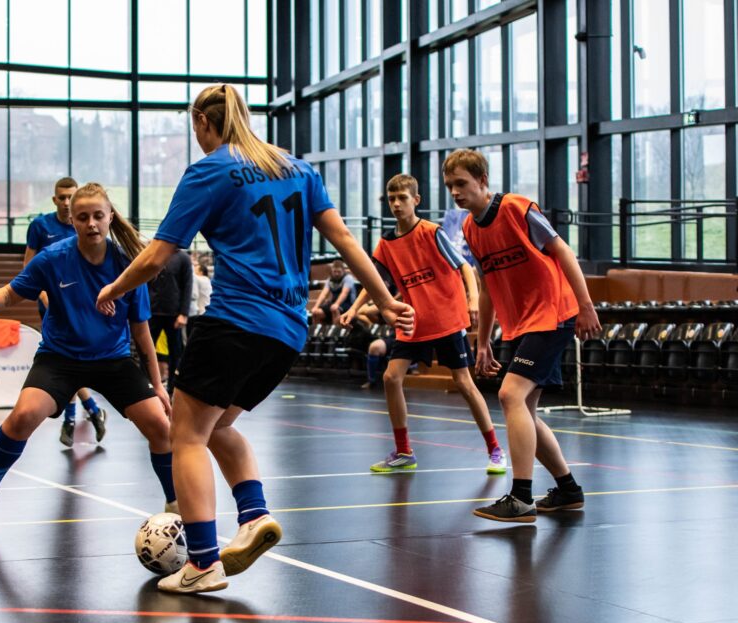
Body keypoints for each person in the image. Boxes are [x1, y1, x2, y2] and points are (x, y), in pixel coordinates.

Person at [97, 84, 414, 594]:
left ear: (203, 122)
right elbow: (344, 239)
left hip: (235, 323)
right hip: (287, 332)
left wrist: (113, 288)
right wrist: (386, 298)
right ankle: (254, 515)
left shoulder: (208, 171)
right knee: (219, 426)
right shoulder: (298, 168)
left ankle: (202, 562)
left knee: (185, 436)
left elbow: (157, 256)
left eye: (195, 128)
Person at [0, 183, 177, 518]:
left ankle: (174, 501)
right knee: (24, 415)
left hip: (113, 361)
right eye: (83, 217)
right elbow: (11, 293)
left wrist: (158, 386)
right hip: (59, 359)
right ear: (72, 221)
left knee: (160, 426)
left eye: (98, 216)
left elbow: (140, 328)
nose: (91, 224)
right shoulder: (53, 258)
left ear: (110, 217)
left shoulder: (127, 265)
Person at [442, 148, 599, 523]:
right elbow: (487, 286)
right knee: (524, 408)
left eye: (461, 183)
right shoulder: (469, 229)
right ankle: (568, 489)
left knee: (510, 394)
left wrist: (586, 305)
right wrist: (483, 342)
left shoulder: (517, 209)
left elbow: (563, 251)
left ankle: (521, 496)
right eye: (450, 186)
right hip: (523, 324)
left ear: (482, 180)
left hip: (554, 313)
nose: (456, 192)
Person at [339, 173, 505, 475]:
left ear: (416, 200)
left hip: (446, 319)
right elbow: (375, 281)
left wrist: (472, 299)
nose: (396, 204)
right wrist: (354, 308)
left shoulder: (431, 232)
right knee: (391, 378)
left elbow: (465, 267)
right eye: (392, 199)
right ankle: (404, 451)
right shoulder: (387, 242)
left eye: (402, 198)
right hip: (413, 322)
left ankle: (495, 449)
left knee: (464, 383)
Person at [23, 176, 106, 447]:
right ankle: (87, 410)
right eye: (62, 197)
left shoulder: (84, 225)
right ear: (54, 199)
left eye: (71, 196)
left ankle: (80, 413)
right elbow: (29, 268)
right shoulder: (40, 226)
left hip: (83, 307)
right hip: (52, 308)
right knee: (67, 361)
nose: (67, 201)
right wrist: (47, 297)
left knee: (74, 363)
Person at [146, 247, 192, 392]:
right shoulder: (153, 253)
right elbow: (143, 282)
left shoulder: (183, 258)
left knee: (175, 353)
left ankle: (172, 388)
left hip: (174, 314)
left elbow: (187, 285)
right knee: (145, 351)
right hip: (152, 312)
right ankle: (146, 386)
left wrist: (183, 313)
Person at [310, 259, 356, 324]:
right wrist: (316, 306)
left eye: (339, 272)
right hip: (334, 303)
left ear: (343, 271)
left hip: (348, 304)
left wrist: (337, 304)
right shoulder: (330, 280)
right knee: (316, 312)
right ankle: (317, 329)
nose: (337, 274)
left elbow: (344, 293)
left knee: (334, 309)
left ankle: (336, 329)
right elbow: (323, 294)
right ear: (332, 271)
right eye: (335, 271)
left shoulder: (348, 278)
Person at [188, 260, 212, 338]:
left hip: (201, 313)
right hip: (206, 312)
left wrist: (190, 263)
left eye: (196, 269)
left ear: (201, 272)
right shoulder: (207, 280)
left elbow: (191, 275)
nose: (194, 270)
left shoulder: (201, 279)